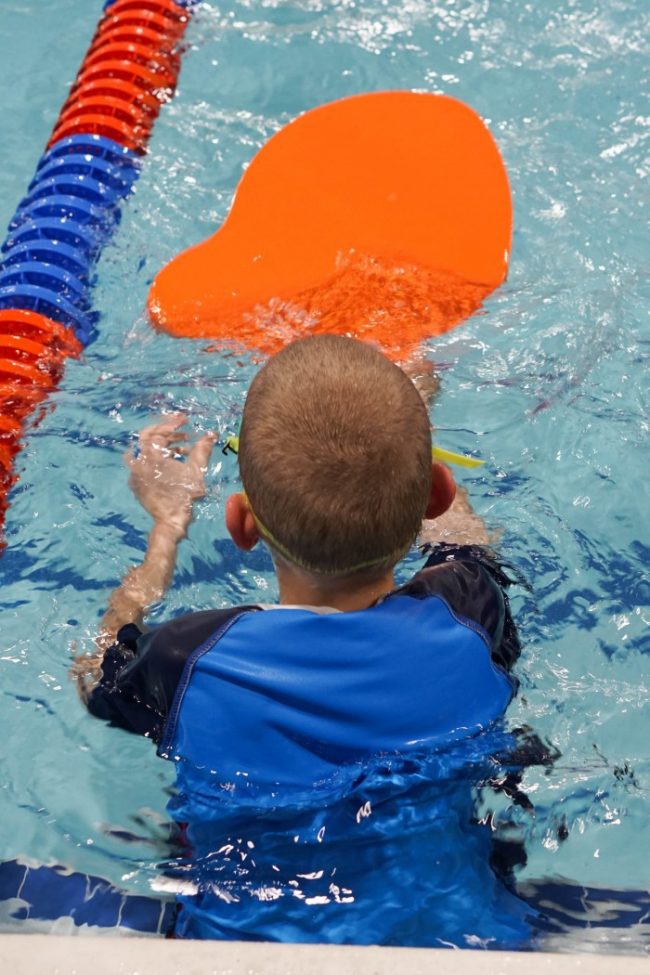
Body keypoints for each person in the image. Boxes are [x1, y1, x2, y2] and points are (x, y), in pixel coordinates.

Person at [74, 334, 535, 946]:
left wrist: (165, 531)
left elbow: (92, 672)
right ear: (437, 492)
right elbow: (466, 540)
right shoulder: (469, 612)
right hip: (469, 938)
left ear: (241, 524)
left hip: (236, 946)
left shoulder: (187, 658)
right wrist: (415, 413)